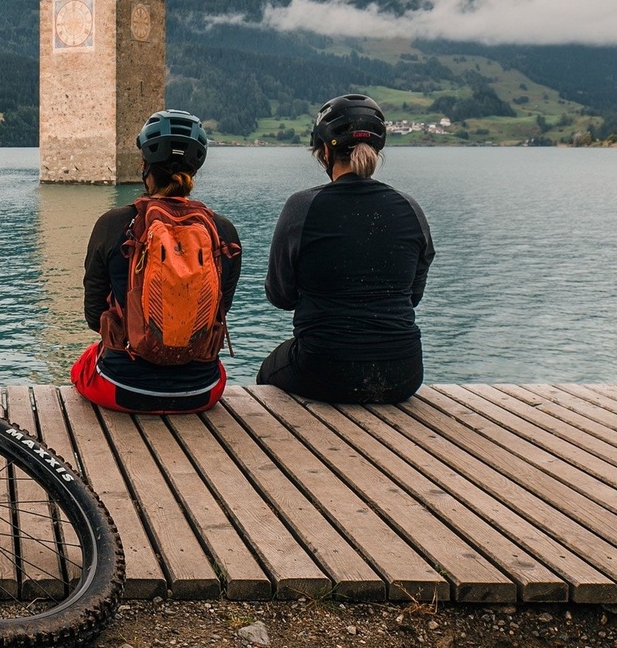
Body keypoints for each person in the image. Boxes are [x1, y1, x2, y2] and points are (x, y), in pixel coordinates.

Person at [259, 93, 434, 404]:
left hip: (324, 370)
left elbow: (280, 296)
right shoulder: (411, 208)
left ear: (325, 151)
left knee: (267, 373)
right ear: (377, 151)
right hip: (404, 375)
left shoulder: (302, 207)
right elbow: (413, 296)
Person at [71, 110, 244, 415]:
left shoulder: (113, 224)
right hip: (202, 391)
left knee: (82, 365)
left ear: (143, 166)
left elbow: (93, 316)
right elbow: (219, 311)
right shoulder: (223, 231)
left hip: (122, 389)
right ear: (196, 168)